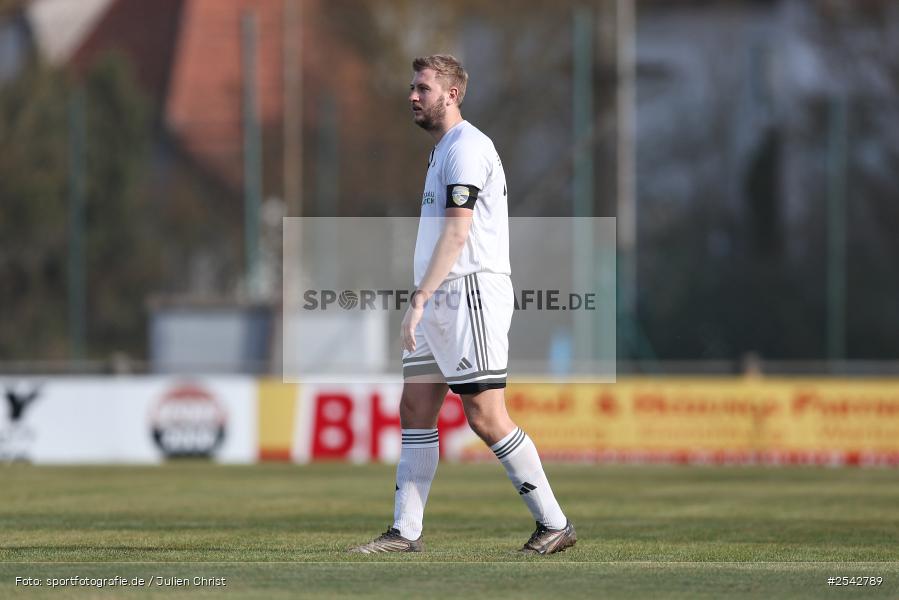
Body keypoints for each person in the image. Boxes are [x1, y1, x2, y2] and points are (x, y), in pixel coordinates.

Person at [350, 55, 575, 555]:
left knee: (485, 415)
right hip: (440, 299)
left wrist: (420, 299)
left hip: (469, 292)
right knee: (415, 408)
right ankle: (405, 532)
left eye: (422, 88)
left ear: (451, 94)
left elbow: (458, 231)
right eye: (412, 86)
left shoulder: (468, 148)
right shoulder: (442, 150)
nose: (412, 95)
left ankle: (554, 522)